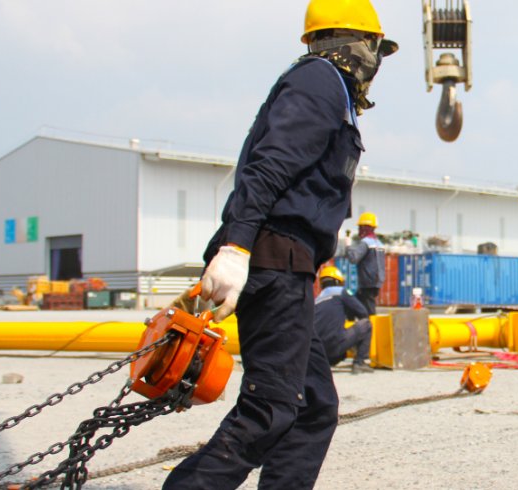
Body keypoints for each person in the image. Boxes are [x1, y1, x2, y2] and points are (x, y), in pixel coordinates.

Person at [164, 1, 396, 488]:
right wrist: (236, 248)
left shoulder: (327, 88)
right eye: (377, 50)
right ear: (356, 44)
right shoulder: (318, 81)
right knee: (271, 406)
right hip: (271, 258)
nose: (376, 66)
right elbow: (270, 166)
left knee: (313, 406)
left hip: (287, 263)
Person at [314, 265, 374, 374]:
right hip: (335, 345)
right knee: (366, 324)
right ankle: (360, 362)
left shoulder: (317, 300)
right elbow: (363, 312)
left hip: (319, 352)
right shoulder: (341, 292)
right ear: (338, 282)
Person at [346, 211, 385, 315]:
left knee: (369, 312)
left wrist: (348, 246)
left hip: (367, 284)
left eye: (360, 227)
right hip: (376, 282)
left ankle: (371, 329)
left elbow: (353, 258)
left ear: (365, 227)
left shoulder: (366, 243)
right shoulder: (379, 244)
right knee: (353, 307)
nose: (359, 230)